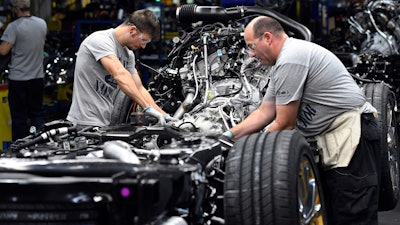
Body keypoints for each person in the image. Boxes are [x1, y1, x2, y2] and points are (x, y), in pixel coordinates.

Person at [223, 16, 380, 225]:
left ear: (267, 37)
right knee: (335, 211)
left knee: (352, 213)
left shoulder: (291, 58)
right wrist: (226, 137)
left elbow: (284, 125)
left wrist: (247, 153)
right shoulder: (282, 63)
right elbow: (264, 112)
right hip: (336, 137)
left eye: (251, 46)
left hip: (353, 135)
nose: (250, 54)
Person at [67, 9, 170, 128]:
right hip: (84, 122)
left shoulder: (128, 54)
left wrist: (164, 115)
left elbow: (139, 88)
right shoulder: (100, 41)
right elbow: (120, 74)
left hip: (105, 123)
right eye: (143, 40)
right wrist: (147, 108)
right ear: (132, 30)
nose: (143, 46)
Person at [0, 0, 47, 141]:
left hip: (19, 79)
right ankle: (38, 142)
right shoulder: (42, 24)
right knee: (36, 114)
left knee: (19, 116)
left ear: (16, 9)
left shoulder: (14, 27)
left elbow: (3, 50)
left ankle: (21, 146)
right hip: (37, 78)